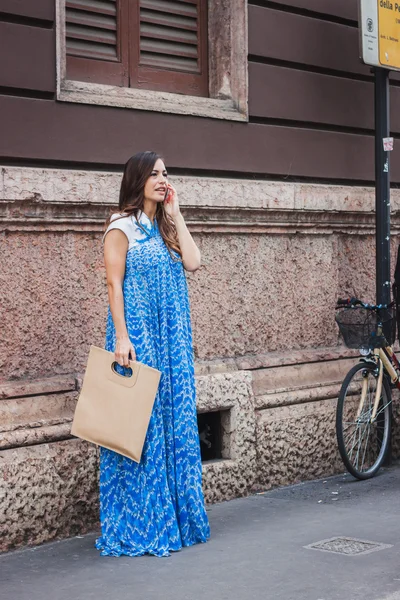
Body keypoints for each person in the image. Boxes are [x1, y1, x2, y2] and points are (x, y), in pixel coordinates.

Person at [95, 151, 210, 557]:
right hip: (140, 335)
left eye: (166, 173)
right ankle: (141, 522)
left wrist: (176, 212)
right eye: (156, 174)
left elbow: (194, 263)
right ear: (138, 179)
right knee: (141, 428)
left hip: (173, 339)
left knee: (173, 421)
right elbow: (113, 285)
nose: (164, 179)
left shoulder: (165, 228)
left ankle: (177, 518)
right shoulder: (119, 227)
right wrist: (122, 338)